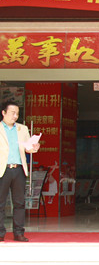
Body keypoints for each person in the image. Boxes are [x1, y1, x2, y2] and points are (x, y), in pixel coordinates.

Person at [0, 101, 40, 242]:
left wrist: (34, 147)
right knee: (0, 202)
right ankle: (0, 233)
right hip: (3, 169)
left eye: (17, 113)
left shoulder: (22, 129)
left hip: (19, 169)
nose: (15, 116)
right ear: (3, 113)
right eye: (12, 113)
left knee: (19, 202)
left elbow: (28, 148)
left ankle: (18, 232)